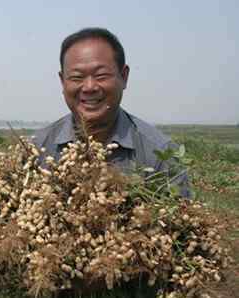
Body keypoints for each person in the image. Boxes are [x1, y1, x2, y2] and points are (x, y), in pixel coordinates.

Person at [32, 27, 189, 298]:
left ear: (124, 77)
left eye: (101, 76)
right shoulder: (37, 149)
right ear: (62, 81)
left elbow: (180, 242)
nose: (89, 87)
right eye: (77, 77)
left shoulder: (160, 153)